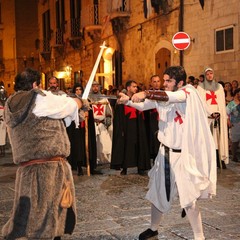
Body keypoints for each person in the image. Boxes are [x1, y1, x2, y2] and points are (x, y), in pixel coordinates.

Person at [119, 66, 216, 240]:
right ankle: (153, 229)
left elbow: (170, 96)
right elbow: (143, 106)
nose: (164, 84)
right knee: (157, 193)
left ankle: (199, 237)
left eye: (168, 81)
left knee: (189, 197)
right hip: (164, 154)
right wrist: (127, 101)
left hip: (184, 156)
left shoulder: (188, 93)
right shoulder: (162, 95)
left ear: (180, 82)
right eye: (164, 80)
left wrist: (145, 92)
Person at [2, 68, 82, 239]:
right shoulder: (37, 99)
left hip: (28, 170)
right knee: (45, 221)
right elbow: (68, 106)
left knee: (30, 215)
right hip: (47, 170)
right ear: (34, 84)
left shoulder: (12, 102)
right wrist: (80, 102)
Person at [111, 80, 151, 175]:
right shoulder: (122, 101)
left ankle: (140, 167)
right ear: (128, 88)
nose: (136, 88)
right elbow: (119, 117)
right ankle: (124, 167)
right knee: (126, 146)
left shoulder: (139, 99)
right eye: (134, 86)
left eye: (136, 87)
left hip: (138, 127)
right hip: (127, 128)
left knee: (139, 146)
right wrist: (120, 129)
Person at [197, 67, 229, 169]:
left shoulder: (219, 87)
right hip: (207, 117)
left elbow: (221, 102)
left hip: (218, 115)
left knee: (218, 138)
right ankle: (208, 160)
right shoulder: (201, 87)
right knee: (208, 138)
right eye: (207, 74)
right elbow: (201, 102)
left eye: (211, 73)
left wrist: (220, 113)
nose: (210, 75)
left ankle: (220, 158)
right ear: (205, 75)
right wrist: (210, 113)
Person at [67, 83, 98, 175]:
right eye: (76, 90)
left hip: (86, 127)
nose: (78, 91)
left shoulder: (87, 101)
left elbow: (90, 113)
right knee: (78, 147)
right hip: (77, 128)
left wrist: (87, 113)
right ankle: (79, 167)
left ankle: (90, 167)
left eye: (80, 89)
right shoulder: (72, 101)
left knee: (88, 146)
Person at [88, 81, 113, 164]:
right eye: (93, 86)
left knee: (105, 143)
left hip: (102, 124)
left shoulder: (104, 98)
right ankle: (94, 160)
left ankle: (104, 160)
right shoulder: (88, 99)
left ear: (99, 87)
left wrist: (107, 122)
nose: (95, 88)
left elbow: (108, 112)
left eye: (96, 86)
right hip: (92, 124)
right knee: (93, 143)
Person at [144, 75, 161, 162]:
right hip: (152, 117)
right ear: (151, 83)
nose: (157, 83)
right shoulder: (148, 94)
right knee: (153, 138)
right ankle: (154, 158)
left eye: (158, 81)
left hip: (162, 118)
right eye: (154, 81)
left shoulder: (164, 93)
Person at [226, 88, 240, 162]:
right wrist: (228, 121)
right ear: (236, 94)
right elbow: (227, 113)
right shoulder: (231, 104)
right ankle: (234, 156)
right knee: (235, 141)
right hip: (235, 124)